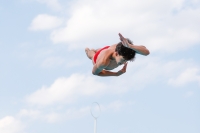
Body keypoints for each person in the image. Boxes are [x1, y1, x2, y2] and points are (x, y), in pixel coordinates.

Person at [85, 33, 150, 76]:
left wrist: (130, 46)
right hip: (98, 57)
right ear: (116, 54)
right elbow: (95, 72)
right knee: (92, 55)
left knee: (100, 50)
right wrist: (116, 74)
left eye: (126, 61)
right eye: (123, 60)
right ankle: (88, 50)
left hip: (108, 48)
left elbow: (146, 52)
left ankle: (98, 50)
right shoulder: (103, 62)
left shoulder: (127, 49)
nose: (124, 63)